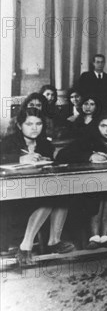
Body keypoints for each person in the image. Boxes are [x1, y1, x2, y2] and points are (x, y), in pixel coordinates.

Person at [1, 108, 74, 266]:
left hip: (39, 188)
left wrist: (46, 162)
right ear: (20, 126)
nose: (34, 127)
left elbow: (49, 165)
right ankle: (25, 246)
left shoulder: (45, 144)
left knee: (62, 194)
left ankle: (54, 240)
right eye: (29, 124)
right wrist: (20, 159)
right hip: (14, 194)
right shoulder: (8, 141)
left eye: (39, 123)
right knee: (48, 199)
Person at [57, 110, 107, 249]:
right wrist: (89, 156)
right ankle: (94, 237)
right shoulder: (88, 138)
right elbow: (62, 155)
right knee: (97, 197)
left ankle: (105, 236)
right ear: (96, 126)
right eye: (103, 126)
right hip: (91, 187)